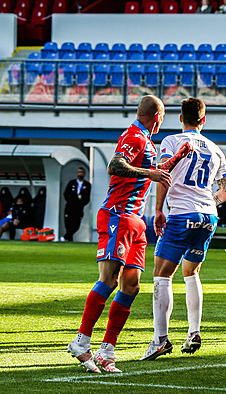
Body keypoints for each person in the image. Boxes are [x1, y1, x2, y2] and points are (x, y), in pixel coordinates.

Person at [67, 95, 176, 373]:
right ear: (157, 115)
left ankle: (107, 351)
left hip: (135, 219)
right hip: (117, 214)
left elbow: (144, 173)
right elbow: (115, 165)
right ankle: (81, 341)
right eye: (163, 116)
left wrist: (165, 166)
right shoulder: (134, 136)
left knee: (131, 285)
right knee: (109, 279)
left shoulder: (147, 142)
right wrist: (150, 173)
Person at [141, 97, 226, 361]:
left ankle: (160, 340)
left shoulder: (171, 141)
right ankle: (194, 332)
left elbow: (163, 174)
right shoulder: (216, 150)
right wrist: (208, 203)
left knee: (162, 274)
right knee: (191, 272)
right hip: (208, 216)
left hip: (182, 214)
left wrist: (159, 210)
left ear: (180, 118)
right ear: (203, 120)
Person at [62, 167, 91, 241]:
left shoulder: (87, 185)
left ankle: (66, 237)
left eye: (81, 172)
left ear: (84, 174)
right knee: (68, 223)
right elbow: (65, 193)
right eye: (79, 172)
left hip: (79, 208)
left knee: (76, 225)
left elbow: (87, 197)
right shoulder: (72, 183)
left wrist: (81, 203)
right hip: (70, 207)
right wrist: (70, 200)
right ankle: (69, 238)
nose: (80, 174)